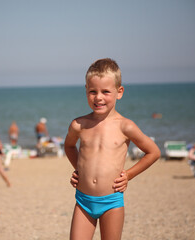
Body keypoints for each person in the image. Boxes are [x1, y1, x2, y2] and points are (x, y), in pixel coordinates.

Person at [64, 58, 160, 240]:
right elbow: (69, 146)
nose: (98, 97)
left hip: (111, 201)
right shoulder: (79, 124)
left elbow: (153, 152)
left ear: (119, 92)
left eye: (105, 91)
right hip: (83, 200)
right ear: (86, 91)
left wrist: (129, 175)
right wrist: (79, 168)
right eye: (93, 91)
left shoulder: (126, 126)